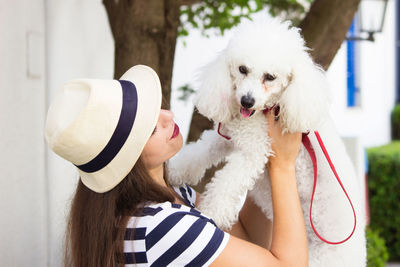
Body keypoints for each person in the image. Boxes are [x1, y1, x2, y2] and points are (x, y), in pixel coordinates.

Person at [45, 65, 308, 267]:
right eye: (149, 128)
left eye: (157, 108)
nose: (168, 116)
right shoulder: (161, 227)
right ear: (127, 158)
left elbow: (249, 241)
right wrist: (282, 165)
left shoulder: (174, 198)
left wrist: (258, 150)